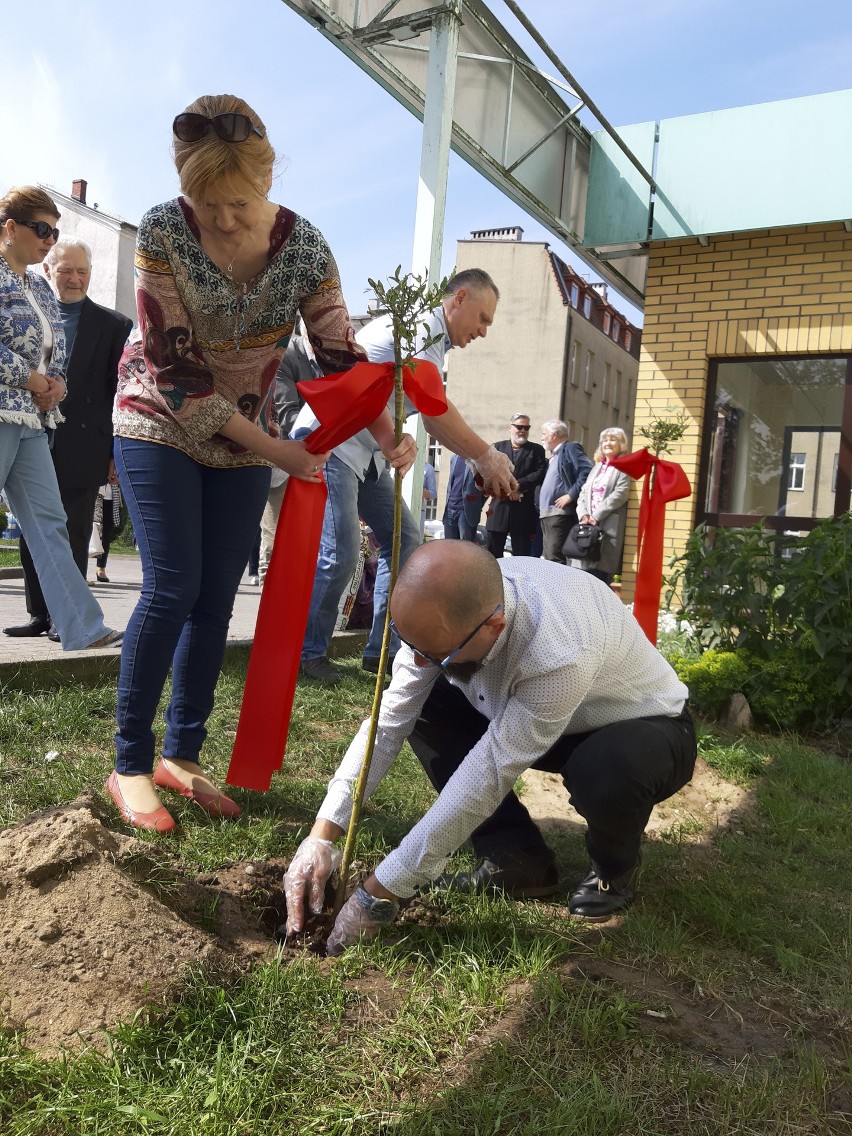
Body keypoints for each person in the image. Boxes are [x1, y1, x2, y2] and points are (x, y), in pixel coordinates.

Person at [106, 93, 413, 834]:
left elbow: (339, 353)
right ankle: (129, 764)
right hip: (159, 417)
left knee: (215, 600)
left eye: (239, 202)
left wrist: (385, 426)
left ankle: (182, 757)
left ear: (267, 180)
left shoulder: (304, 247)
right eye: (206, 203)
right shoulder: (159, 232)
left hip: (251, 435)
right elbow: (177, 373)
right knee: (173, 584)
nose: (224, 220)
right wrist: (284, 453)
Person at [284, 540, 696, 953]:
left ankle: (614, 869)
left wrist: (383, 889)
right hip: (535, 712)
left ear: (494, 625)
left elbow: (488, 773)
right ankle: (516, 857)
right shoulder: (447, 609)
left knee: (606, 770)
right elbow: (389, 722)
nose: (421, 662)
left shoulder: (559, 649)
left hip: (639, 726)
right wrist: (323, 834)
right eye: (414, 647)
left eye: (439, 654)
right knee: (424, 701)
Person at [296, 269, 517, 686]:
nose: (484, 331)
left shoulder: (432, 339)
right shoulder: (418, 328)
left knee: (405, 542)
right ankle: (309, 654)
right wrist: (486, 457)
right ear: (460, 298)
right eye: (483, 318)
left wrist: (476, 462)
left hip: (368, 451)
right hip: (334, 440)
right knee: (342, 551)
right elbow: (434, 413)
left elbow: (432, 411)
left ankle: (386, 651)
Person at [0, 186, 121, 652]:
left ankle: (83, 627)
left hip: (31, 422)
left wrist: (56, 385)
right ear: (10, 227)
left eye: (56, 231)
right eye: (42, 229)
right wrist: (34, 380)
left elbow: (58, 353)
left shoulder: (37, 288)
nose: (50, 240)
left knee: (49, 521)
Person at [258, 327, 317, 582]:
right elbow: (287, 413)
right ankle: (266, 588)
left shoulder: (334, 358)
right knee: (273, 533)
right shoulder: (289, 352)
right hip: (282, 459)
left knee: (304, 538)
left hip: (319, 460)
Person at [570, 427, 631, 586]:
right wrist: (583, 515)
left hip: (607, 525)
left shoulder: (624, 467)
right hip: (588, 525)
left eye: (612, 440)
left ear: (621, 444)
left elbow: (620, 494)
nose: (608, 443)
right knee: (583, 574)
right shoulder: (597, 466)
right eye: (605, 440)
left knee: (600, 576)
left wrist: (596, 515)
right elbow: (583, 492)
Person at [485, 413, 547, 558]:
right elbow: (489, 472)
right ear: (510, 428)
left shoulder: (536, 450)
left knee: (522, 556)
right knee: (493, 555)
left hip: (523, 510)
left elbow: (539, 473)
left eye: (526, 428)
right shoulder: (497, 447)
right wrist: (507, 488)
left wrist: (518, 486)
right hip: (499, 508)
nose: (523, 431)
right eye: (519, 427)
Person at [538, 419, 593, 564]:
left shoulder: (570, 448)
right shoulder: (554, 456)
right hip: (547, 514)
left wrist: (570, 495)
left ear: (554, 435)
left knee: (555, 558)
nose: (541, 437)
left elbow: (587, 471)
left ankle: (557, 586)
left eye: (544, 434)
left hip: (559, 514)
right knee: (549, 557)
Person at [442, 452, 485, 541]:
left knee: (465, 548)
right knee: (449, 547)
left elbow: (486, 488)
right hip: (449, 510)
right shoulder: (454, 458)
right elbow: (451, 483)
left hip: (466, 512)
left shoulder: (479, 460)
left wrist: (476, 505)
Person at [92, 478, 125, 582]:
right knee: (88, 532)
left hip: (111, 496)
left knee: (106, 535)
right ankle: (81, 570)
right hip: (94, 495)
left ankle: (101, 568)